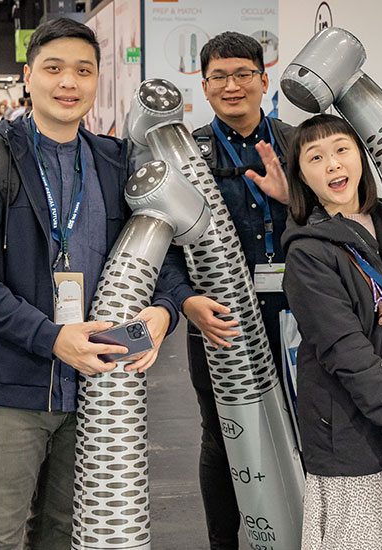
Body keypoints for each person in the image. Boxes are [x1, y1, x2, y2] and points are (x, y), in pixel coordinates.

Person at [0, 18, 178, 549]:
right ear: (29, 77)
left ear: (97, 80)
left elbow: (161, 248)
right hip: (10, 388)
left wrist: (165, 309)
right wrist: (52, 338)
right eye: (54, 69)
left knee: (65, 531)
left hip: (95, 389)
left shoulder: (113, 161)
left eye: (83, 71)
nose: (68, 82)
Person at [156, 31, 294, 550]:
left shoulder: (297, 144)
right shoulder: (185, 155)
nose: (232, 86)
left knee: (303, 428)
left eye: (242, 74)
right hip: (217, 322)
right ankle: (224, 542)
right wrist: (184, 299)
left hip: (297, 317)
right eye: (219, 76)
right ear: (204, 85)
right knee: (222, 436)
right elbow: (163, 242)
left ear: (263, 79)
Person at [281, 113, 382, 549]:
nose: (333, 164)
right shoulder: (307, 254)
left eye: (342, 149)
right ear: (301, 176)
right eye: (316, 157)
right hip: (350, 435)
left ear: (361, 155)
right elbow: (347, 354)